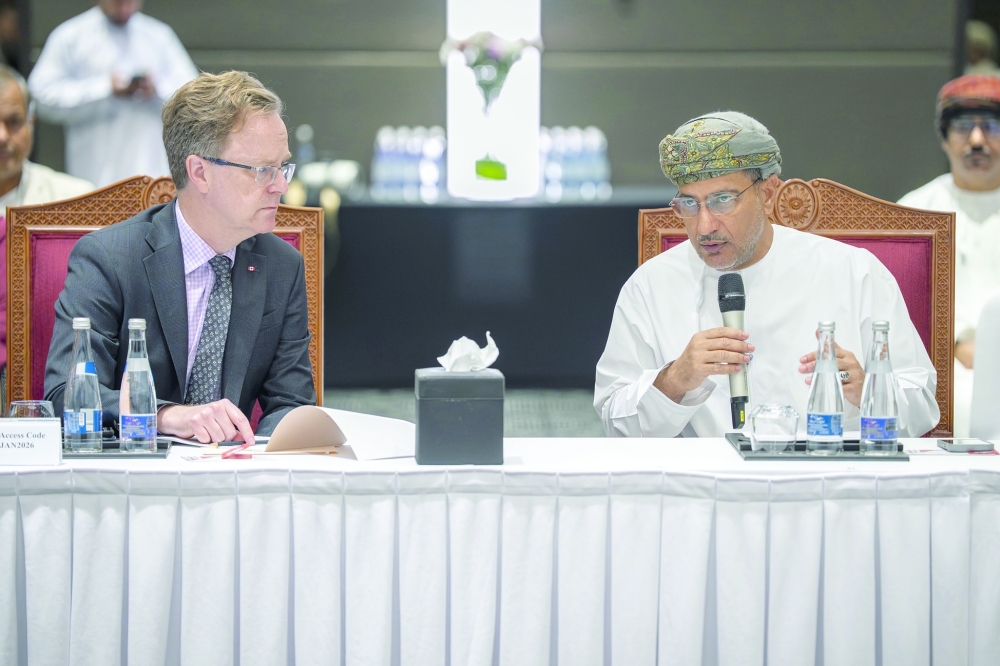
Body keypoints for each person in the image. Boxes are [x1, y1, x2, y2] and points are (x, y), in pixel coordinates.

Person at [595, 111, 939, 437]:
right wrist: (675, 379)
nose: (704, 226)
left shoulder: (854, 272)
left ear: (768, 193)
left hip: (826, 482)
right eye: (689, 204)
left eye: (722, 200)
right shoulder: (651, 285)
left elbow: (922, 406)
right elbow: (616, 424)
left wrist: (868, 389)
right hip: (709, 487)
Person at [44, 70, 315, 442]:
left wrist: (258, 455)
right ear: (200, 173)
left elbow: (291, 403)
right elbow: (66, 395)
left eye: (282, 166)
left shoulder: (282, 266)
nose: (281, 185)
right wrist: (167, 417)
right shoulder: (109, 259)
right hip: (132, 479)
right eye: (262, 170)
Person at [898, 75, 1000, 437]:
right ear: (944, 137)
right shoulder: (913, 214)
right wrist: (955, 341)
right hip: (936, 372)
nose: (977, 140)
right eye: (962, 127)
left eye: (991, 126)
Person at [0, 64, 94, 407]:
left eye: (13, 122)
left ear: (31, 123)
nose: (2, 137)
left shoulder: (75, 200)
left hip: (52, 374)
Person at [27, 0, 197, 187]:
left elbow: (193, 96)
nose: (124, 5)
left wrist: (157, 89)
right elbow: (41, 94)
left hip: (153, 175)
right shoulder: (70, 37)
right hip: (93, 176)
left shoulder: (159, 36)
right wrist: (104, 89)